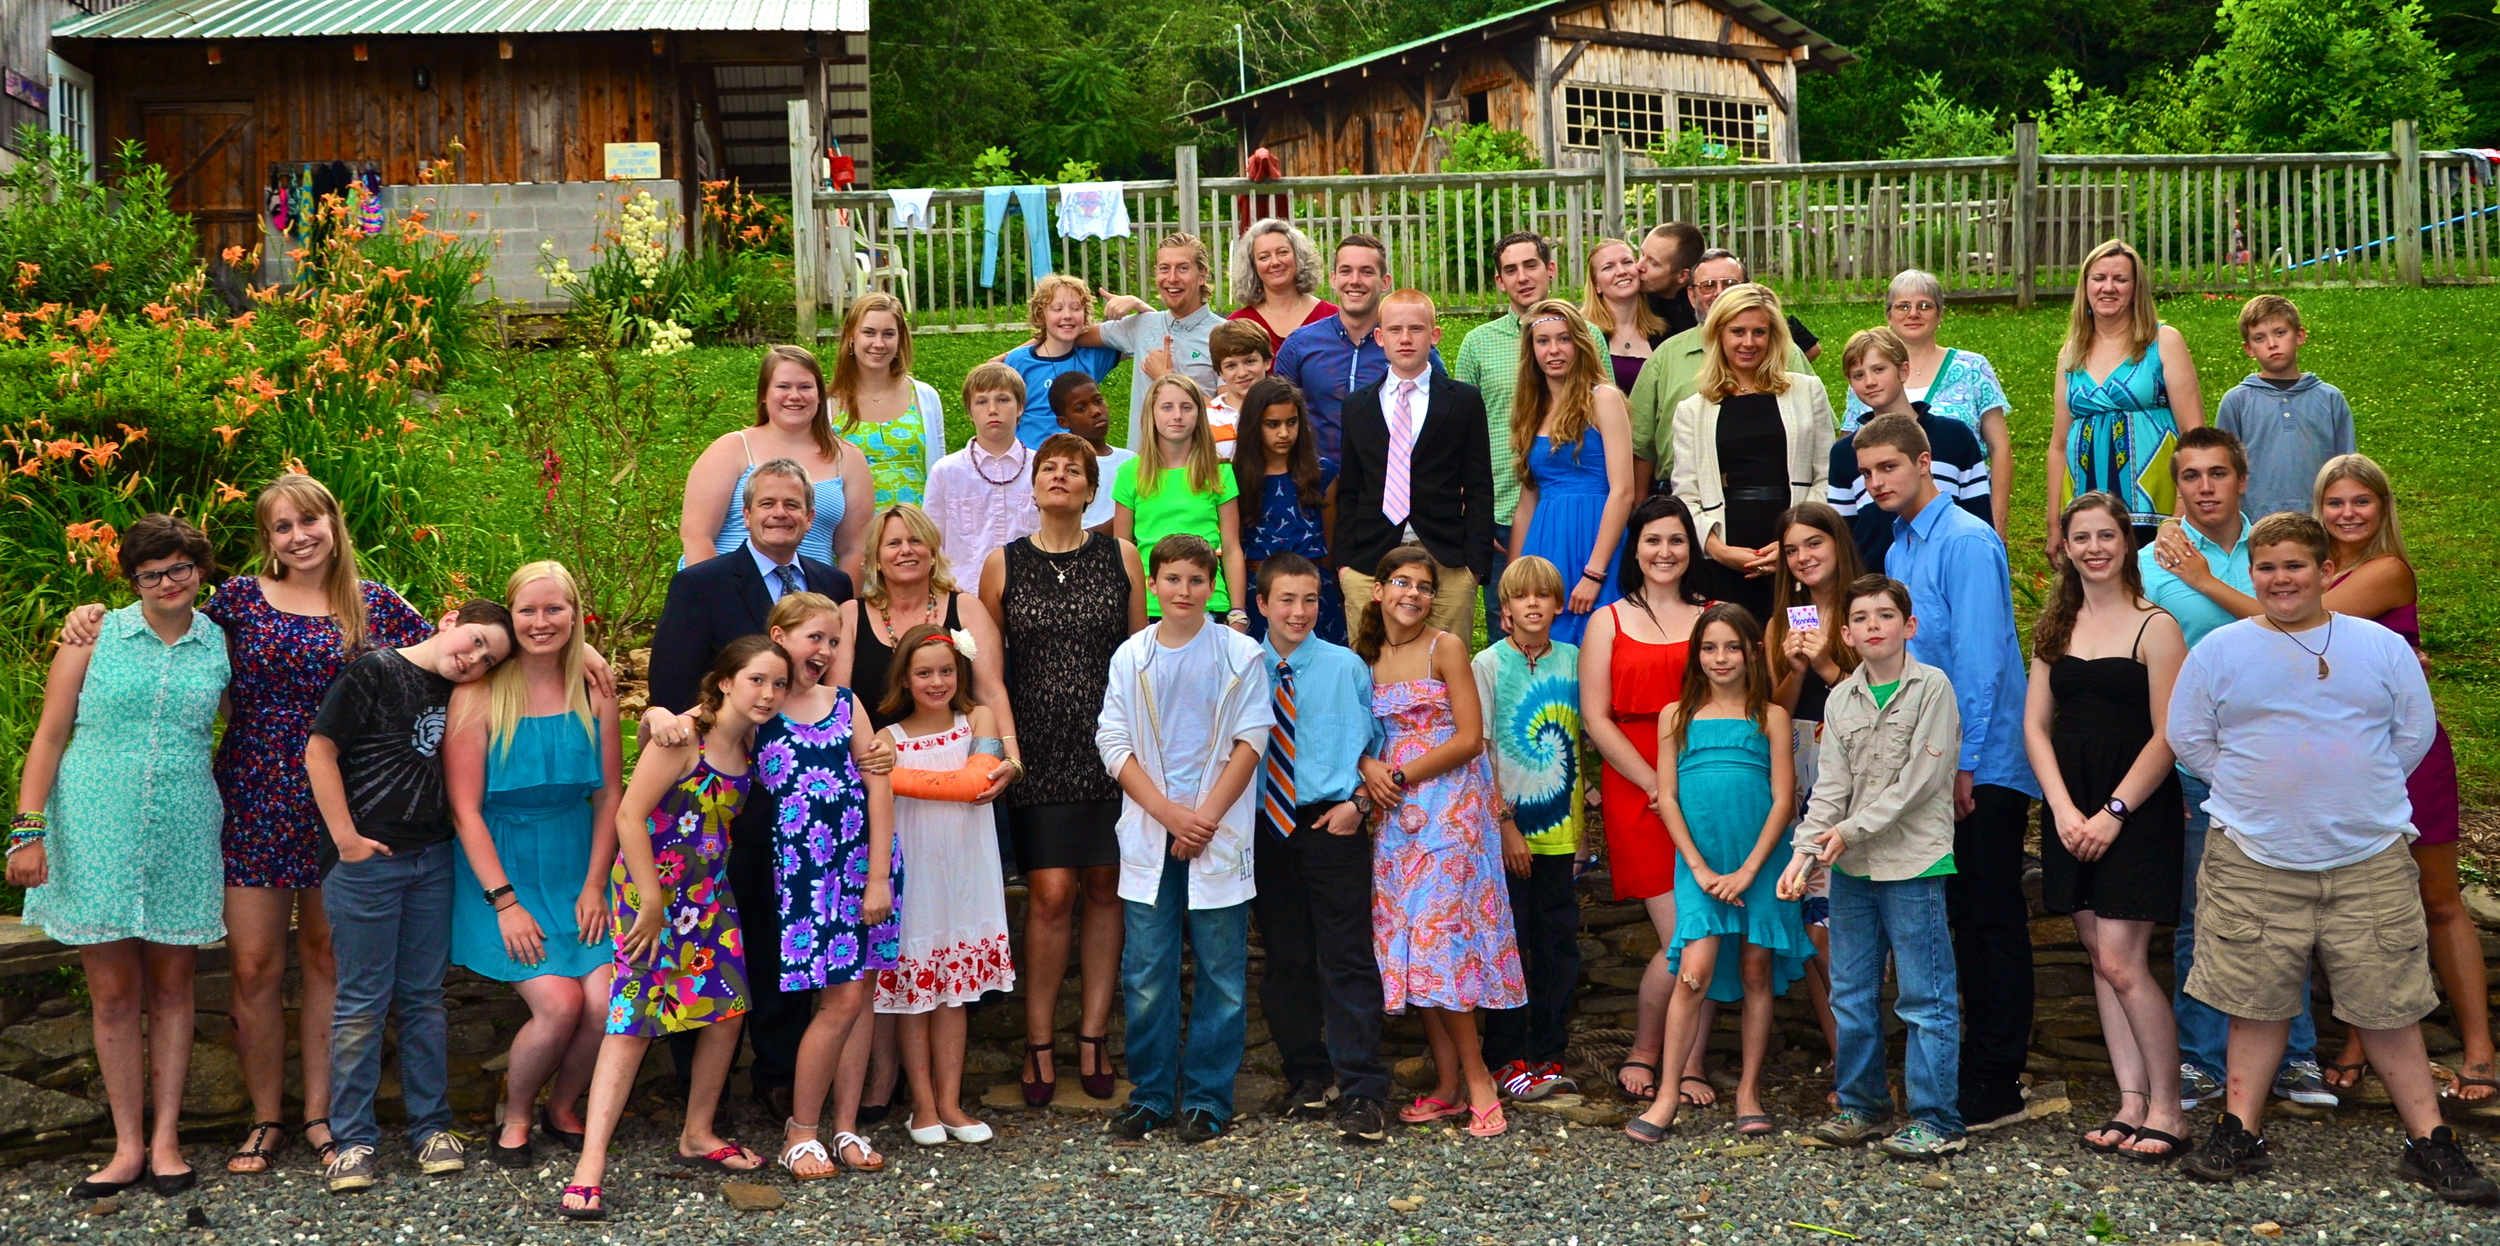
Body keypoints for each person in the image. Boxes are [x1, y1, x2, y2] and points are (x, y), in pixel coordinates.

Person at [56, 475, 437, 1178]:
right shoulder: (236, 601)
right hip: (254, 794)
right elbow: (161, 619)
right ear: (268, 540)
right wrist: (88, 615)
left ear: (333, 521)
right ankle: (265, 1118)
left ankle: (322, 1116)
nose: (300, 536)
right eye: (282, 526)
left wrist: (577, 656)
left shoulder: (376, 604)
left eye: (310, 520)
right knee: (255, 965)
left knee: (328, 960)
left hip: (343, 806)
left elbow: (460, 652)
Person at [2168, 514, 2497, 1206]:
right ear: (2251, 574)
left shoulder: (2377, 646)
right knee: (2255, 1003)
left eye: (2294, 566)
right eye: (2266, 568)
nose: (2280, 580)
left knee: (2387, 1004)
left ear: (2323, 571)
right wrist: (2259, 793)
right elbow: (2189, 737)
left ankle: (2429, 1143)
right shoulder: (2222, 651)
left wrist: (2347, 795)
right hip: (2254, 855)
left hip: (2366, 856)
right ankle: (2240, 1130)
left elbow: (2412, 733)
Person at [13, 515, 230, 1198]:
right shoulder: (94, 635)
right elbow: (48, 737)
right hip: (93, 827)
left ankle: (167, 1141)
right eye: (151, 573)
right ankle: (126, 1146)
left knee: (172, 988)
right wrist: (28, 831)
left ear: (200, 570)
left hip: (184, 829)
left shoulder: (220, 644)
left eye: (179, 569)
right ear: (132, 579)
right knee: (111, 994)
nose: (167, 583)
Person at [646, 458, 859, 1114]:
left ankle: (777, 1077)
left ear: (809, 515)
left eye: (793, 505)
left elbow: (838, 686)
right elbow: (675, 683)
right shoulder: (704, 583)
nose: (780, 514)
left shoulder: (832, 582)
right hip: (724, 798)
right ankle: (698, 1093)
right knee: (711, 940)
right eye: (767, 503)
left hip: (804, 806)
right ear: (746, 511)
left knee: (783, 942)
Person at [559, 638, 790, 1221]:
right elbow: (628, 815)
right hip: (649, 894)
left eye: (778, 684)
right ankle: (590, 1165)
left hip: (709, 895)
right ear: (725, 683)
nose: (768, 693)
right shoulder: (684, 737)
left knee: (727, 1009)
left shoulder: (753, 741)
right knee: (632, 1019)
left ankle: (698, 1132)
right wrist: (653, 901)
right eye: (757, 680)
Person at [1853, 413, 2039, 1133]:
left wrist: (1964, 766)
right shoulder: (1900, 549)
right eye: (1868, 475)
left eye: (1888, 469)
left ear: (1924, 462)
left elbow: (1985, 661)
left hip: (1979, 766)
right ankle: (1962, 1074)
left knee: (1992, 919)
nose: (1877, 484)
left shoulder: (1965, 541)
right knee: (1954, 918)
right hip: (1931, 766)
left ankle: (2000, 1081)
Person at [2139, 427, 2333, 1110]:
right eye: (2189, 476)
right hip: (2198, 759)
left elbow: (2302, 627)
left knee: (2288, 910)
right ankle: (2200, 1059)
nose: (2204, 487)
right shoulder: (2148, 563)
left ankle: (2296, 1058)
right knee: (2203, 915)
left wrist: (2201, 581)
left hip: (2283, 758)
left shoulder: (2275, 550)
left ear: (2241, 479)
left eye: (2218, 473)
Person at [305, 599, 516, 1192]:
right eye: (473, 640)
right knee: (362, 1001)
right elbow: (320, 750)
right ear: (449, 620)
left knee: (424, 997)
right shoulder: (375, 670)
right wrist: (344, 838)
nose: (473, 659)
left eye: (488, 658)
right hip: (369, 860)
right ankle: (353, 1140)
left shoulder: (465, 693)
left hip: (432, 857)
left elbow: (547, 657)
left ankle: (430, 1128)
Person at [2312, 454, 2490, 1107]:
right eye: (2336, 503)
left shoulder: (2387, 571)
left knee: (2439, 899)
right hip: (2343, 761)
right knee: (2359, 908)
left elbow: (2295, 620)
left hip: (2408, 756)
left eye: (2362, 501)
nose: (2349, 513)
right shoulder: (2319, 571)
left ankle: (2478, 1048)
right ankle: (2361, 1039)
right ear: (2320, 509)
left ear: (2383, 509)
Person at [978, 433, 1146, 1106]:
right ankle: (1039, 1039)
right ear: (1034, 485)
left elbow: (1141, 660)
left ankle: (1094, 1037)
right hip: (1037, 752)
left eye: (1071, 470)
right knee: (1050, 894)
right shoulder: (1002, 565)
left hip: (1111, 749)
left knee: (1106, 887)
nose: (1058, 477)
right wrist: (1002, 748)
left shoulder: (1122, 556)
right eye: (1047, 468)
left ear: (1089, 488)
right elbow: (987, 674)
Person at [2020, 493, 2189, 1159]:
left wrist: (2113, 813)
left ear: (2128, 542)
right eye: (2081, 536)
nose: (2094, 547)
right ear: (2065, 547)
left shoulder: (2157, 627)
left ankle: (2170, 1109)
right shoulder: (2053, 628)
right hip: (2070, 808)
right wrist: (2062, 810)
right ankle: (2130, 1100)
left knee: (2123, 959)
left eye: (2106, 535)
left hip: (2134, 809)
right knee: (2098, 955)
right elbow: (2035, 725)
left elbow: (2169, 733)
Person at [1780, 574, 1967, 1160]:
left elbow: (1920, 781)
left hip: (1913, 862)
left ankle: (1938, 1120)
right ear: (1845, 633)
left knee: (1924, 995)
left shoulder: (1933, 689)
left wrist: (1844, 832)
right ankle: (1862, 1105)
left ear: (1908, 626)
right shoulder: (1840, 700)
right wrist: (1802, 854)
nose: (1874, 626)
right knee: (1852, 992)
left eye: (1885, 616)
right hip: (1851, 869)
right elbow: (1830, 788)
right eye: (1861, 618)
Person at [445, 563, 623, 1170]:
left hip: (577, 864)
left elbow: (609, 797)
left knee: (606, 1002)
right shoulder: (479, 693)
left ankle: (563, 1104)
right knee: (559, 1004)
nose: (541, 622)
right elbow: (464, 811)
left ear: (576, 616)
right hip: (498, 867)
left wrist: (597, 883)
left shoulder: (594, 690)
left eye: (555, 609)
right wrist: (506, 901)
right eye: (528, 610)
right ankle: (516, 1110)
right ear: (510, 616)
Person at [1097, 534, 1274, 1145]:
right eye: (1171, 579)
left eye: (1196, 581)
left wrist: (1203, 820)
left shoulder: (1240, 655)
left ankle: (1206, 1098)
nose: (1183, 591)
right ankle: (1150, 1096)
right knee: (1146, 971)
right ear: (1152, 585)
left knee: (1222, 972)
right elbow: (1112, 743)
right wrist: (1171, 815)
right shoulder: (1131, 656)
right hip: (1151, 831)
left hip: (1218, 833)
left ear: (1213, 586)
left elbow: (1253, 740)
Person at [1354, 545, 1523, 1139]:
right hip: (1394, 820)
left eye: (1424, 586)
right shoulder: (1364, 657)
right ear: (1379, 590)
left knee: (1439, 942)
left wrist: (1397, 773)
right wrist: (1366, 765)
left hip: (1450, 809)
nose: (1413, 594)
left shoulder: (1445, 647)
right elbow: (1352, 730)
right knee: (1411, 946)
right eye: (1401, 582)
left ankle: (1480, 1082)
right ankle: (1448, 1086)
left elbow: (1471, 739)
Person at [1626, 604, 1810, 1143]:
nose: (1720, 658)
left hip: (1761, 862)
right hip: (1701, 867)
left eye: (1732, 646)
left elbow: (1783, 800)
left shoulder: (1771, 716)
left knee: (1756, 970)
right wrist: (1701, 868)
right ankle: (1666, 1094)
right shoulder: (1675, 717)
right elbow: (1670, 799)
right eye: (1709, 648)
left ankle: (1748, 1091)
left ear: (1753, 651)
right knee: (1692, 970)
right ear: (1696, 655)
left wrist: (1751, 869)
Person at [1249, 552, 1394, 1142]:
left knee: (1347, 956)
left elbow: (1379, 745)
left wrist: (1357, 806)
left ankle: (1362, 1090)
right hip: (1263, 825)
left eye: (1310, 599)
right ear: (1261, 604)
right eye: (1286, 599)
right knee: (1284, 958)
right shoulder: (1238, 667)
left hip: (1330, 823)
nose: (1299, 611)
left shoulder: (1346, 668)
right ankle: (1308, 1076)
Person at [756, 593, 897, 1178]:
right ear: (779, 635)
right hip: (803, 875)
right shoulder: (760, 703)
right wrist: (659, 717)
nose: (825, 651)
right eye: (814, 637)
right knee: (838, 998)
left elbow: (879, 783)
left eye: (834, 641)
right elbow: (694, 729)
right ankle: (801, 1130)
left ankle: (845, 1127)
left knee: (858, 994)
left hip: (861, 868)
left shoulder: (846, 703)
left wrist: (880, 874)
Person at [1581, 495, 1715, 1105]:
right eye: (1653, 540)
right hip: (1636, 783)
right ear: (1634, 549)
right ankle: (1646, 1047)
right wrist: (1653, 785)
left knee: (1710, 931)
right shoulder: (1607, 620)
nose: (1665, 552)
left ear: (1692, 549)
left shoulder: (1715, 617)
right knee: (1684, 933)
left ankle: (1690, 1063)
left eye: (1677, 540)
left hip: (1706, 780)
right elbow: (1596, 718)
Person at [876, 625, 1015, 1146]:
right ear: (905, 679)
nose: (936, 681)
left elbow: (976, 782)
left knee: (954, 996)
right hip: (918, 872)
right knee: (918, 996)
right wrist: (890, 771)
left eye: (945, 671)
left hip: (966, 873)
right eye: (924, 672)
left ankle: (952, 1102)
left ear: (960, 673)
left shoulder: (978, 719)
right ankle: (923, 1106)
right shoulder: (889, 740)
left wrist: (899, 777)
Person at [1472, 556, 1586, 1104]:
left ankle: (1549, 1051)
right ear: (1505, 609)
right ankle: (1505, 1055)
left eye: (1545, 595)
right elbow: (1482, 749)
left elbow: (1583, 746)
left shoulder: (1574, 660)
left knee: (1557, 944)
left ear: (1559, 604)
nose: (1534, 604)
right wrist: (1505, 825)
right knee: (1509, 941)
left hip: (1562, 831)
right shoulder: (1487, 664)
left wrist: (1585, 830)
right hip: (1508, 833)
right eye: (1523, 596)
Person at [1451, 232, 1609, 600]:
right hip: (1505, 513)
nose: (1522, 277)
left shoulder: (1589, 337)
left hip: (1582, 514)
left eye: (1530, 265)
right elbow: (1461, 438)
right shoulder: (1477, 344)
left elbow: (1608, 427)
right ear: (1499, 281)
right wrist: (1475, 513)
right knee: (1509, 618)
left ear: (1550, 269)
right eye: (1510, 270)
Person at [1765, 502, 1864, 1073]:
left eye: (1813, 544)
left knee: (1850, 932)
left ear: (1837, 543)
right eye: (1792, 550)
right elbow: (1773, 713)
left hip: (1856, 777)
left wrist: (1827, 667)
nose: (1803, 557)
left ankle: (1862, 1063)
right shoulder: (1785, 618)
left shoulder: (1866, 608)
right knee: (1813, 932)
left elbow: (1887, 706)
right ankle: (1843, 1060)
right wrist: (1797, 670)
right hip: (1802, 768)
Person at [1334, 289, 1494, 639]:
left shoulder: (1463, 401)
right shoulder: (1358, 406)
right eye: (1395, 330)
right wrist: (1345, 564)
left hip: (1446, 556)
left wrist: (1474, 566)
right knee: (1370, 663)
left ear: (1435, 335)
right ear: (1379, 337)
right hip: (1371, 556)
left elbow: (1480, 484)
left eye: (1417, 329)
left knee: (1444, 667)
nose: (1405, 338)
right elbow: (1351, 488)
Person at [1671, 283, 1836, 621]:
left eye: (1759, 332)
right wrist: (1718, 550)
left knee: (1800, 648)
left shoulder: (1807, 391)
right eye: (1738, 331)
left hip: (1798, 558)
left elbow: (1827, 475)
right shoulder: (1693, 409)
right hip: (1725, 559)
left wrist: (1797, 544)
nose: (1749, 342)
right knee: (1732, 654)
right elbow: (1686, 494)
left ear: (1773, 336)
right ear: (1718, 334)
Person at [2048, 239, 2205, 550]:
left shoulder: (2163, 341)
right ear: (2086, 286)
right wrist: (2054, 523)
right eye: (2099, 278)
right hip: (2085, 504)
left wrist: (2181, 512)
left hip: (2154, 506)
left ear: (2136, 289)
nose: (2109, 288)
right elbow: (2058, 444)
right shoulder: (2070, 353)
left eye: (2120, 279)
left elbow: (2194, 434)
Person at [681, 345, 874, 581]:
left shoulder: (848, 459)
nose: (795, 396)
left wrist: (842, 607)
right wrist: (719, 600)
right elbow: (697, 536)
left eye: (805, 387)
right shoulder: (731, 449)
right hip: (731, 594)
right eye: (783, 386)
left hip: (810, 604)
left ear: (820, 396)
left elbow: (854, 549)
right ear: (764, 394)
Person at [1840, 271, 2012, 535]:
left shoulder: (1972, 367)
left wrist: (1996, 521)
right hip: (1883, 523)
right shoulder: (1867, 375)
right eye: (1903, 306)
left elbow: (2000, 447)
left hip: (1960, 513)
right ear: (1888, 315)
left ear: (1940, 314)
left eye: (1924, 306)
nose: (1913, 314)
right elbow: (1849, 451)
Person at [1628, 249, 1815, 492]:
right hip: (1684, 500)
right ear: (1692, 296)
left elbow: (1817, 433)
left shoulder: (1785, 352)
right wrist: (1638, 515)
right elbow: (1640, 447)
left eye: (1730, 284)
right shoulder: (1664, 359)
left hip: (1778, 496)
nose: (1719, 293)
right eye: (1707, 286)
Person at [1509, 298, 1637, 645]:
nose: (1554, 349)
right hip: (1545, 541)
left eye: (1564, 339)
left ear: (1579, 344)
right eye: (1543, 340)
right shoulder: (1531, 409)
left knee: (1598, 644)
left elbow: (1623, 491)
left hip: (1596, 539)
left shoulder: (1603, 399)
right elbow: (1526, 503)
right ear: (1531, 349)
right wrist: (1514, 584)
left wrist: (1594, 573)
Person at [1828, 327, 1991, 574]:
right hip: (1874, 583)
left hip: (1949, 572)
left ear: (1903, 371)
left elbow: (1978, 515)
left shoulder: (1954, 437)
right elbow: (1844, 533)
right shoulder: (1844, 453)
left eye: (1879, 369)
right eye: (1858, 375)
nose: (1870, 382)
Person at [1273, 233, 1441, 461]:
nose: (1355, 280)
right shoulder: (1300, 345)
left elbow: (1443, 412)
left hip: (1391, 483)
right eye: (1346, 271)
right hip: (1319, 482)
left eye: (1366, 271)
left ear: (1385, 282)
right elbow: (1276, 413)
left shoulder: (1410, 346)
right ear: (1333, 279)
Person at [1115, 373, 1248, 628]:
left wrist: (1237, 612)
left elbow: (1231, 547)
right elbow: (1123, 552)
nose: (1177, 415)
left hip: (1209, 602)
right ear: (1151, 414)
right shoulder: (1130, 473)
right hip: (1150, 605)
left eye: (1186, 407)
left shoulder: (1219, 472)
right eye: (1167, 407)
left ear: (1199, 414)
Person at [2216, 294, 2354, 521]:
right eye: (2259, 338)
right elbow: (2223, 470)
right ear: (2248, 348)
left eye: (2280, 333)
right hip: (2256, 524)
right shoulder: (2236, 402)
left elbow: (2347, 465)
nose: (2272, 344)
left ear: (2300, 335)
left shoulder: (2330, 398)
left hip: (2321, 521)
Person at [1091, 233, 1226, 450]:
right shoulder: (1143, 325)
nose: (1172, 278)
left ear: (1202, 275)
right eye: (1164, 268)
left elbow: (1228, 416)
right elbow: (1069, 333)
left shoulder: (1223, 335)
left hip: (1198, 469)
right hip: (1144, 469)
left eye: (1183, 268)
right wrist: (1016, 354)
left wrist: (1168, 378)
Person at [1236, 376, 1344, 644]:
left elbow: (1330, 541)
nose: (1284, 433)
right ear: (1254, 425)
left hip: (1314, 593)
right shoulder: (1235, 477)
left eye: (1291, 422)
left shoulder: (1322, 473)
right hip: (1258, 594)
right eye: (1273, 424)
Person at [828, 291, 948, 508]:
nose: (879, 343)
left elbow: (941, 473)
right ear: (851, 336)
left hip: (918, 534)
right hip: (855, 537)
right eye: (869, 332)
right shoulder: (827, 405)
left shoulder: (925, 397)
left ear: (900, 338)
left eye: (888, 334)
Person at [923, 362, 1041, 573]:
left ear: (1021, 407)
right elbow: (931, 542)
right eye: (981, 402)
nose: (993, 410)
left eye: (1003, 400)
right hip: (966, 593)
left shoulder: (1041, 468)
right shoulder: (946, 472)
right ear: (969, 411)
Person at [1003, 274, 1122, 449]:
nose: (1067, 315)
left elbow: (1150, 334)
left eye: (1076, 308)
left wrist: (1136, 303)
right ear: (1041, 315)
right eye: (1057, 309)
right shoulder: (1019, 361)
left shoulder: (1093, 357)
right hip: (1032, 463)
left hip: (1081, 461)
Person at [1228, 218, 1335, 354]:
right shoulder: (1238, 324)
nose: (1275, 262)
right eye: (1264, 257)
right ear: (1253, 266)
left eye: (1282, 252)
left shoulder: (1332, 317)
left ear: (1298, 256)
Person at [1047, 372, 1134, 533]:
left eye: (1098, 401)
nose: (1095, 411)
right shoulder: (1063, 468)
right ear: (1064, 421)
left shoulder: (1130, 460)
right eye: (1081, 408)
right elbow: (1066, 534)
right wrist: (1125, 519)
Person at [1583, 237, 1661, 394]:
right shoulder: (1583, 333)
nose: (1621, 271)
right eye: (1608, 267)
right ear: (1596, 285)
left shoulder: (1663, 330)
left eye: (1627, 262)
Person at [1204, 317, 1275, 460]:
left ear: (1267, 362)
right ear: (1220, 372)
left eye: (1250, 361)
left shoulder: (1282, 409)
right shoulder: (1206, 419)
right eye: (1231, 365)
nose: (1242, 373)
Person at [1637, 221, 1705, 340]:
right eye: (1642, 254)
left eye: (1653, 263)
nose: (1639, 266)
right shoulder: (1632, 297)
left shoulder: (1701, 313)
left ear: (1682, 276)